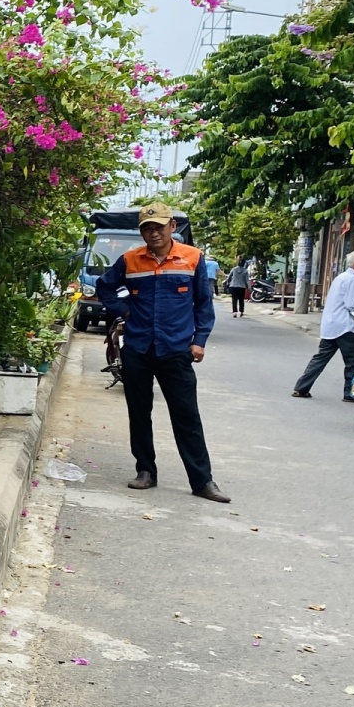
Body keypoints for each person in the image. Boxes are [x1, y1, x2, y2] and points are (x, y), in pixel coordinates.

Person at [97, 202, 229, 502]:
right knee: (139, 412)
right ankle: (145, 471)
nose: (153, 233)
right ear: (141, 232)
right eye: (147, 228)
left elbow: (203, 305)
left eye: (159, 226)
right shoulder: (130, 260)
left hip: (176, 349)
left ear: (172, 227)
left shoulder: (192, 258)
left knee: (187, 417)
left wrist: (200, 341)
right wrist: (125, 311)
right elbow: (105, 287)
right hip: (138, 349)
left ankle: (202, 481)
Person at [291, 250, 354, 400]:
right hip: (344, 326)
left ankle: (301, 387)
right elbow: (351, 305)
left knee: (320, 358)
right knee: (353, 362)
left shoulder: (341, 277)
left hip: (331, 324)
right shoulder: (352, 279)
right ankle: (351, 393)